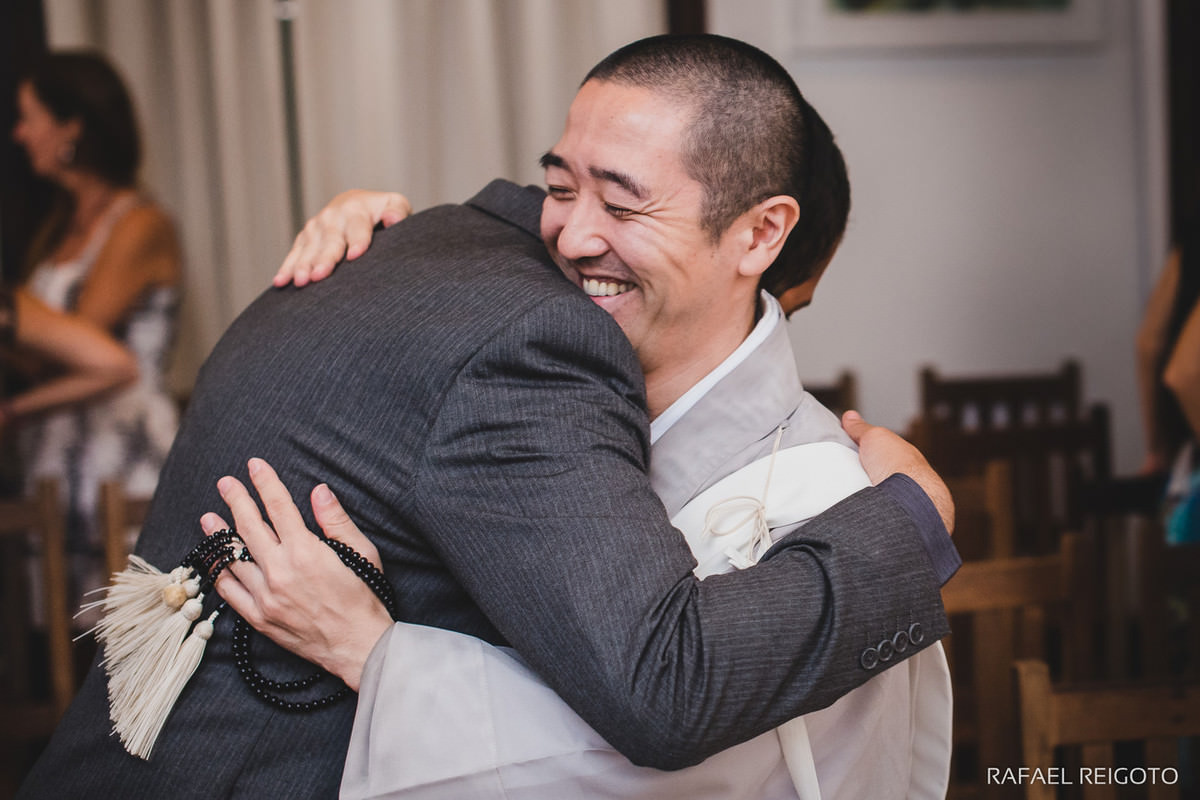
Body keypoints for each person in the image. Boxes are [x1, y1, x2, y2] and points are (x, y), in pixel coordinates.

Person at [18, 35, 954, 800]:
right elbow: (659, 697)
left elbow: (695, 748)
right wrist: (916, 518)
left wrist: (379, 655)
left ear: (759, 234)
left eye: (623, 203)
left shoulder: (817, 490)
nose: (574, 233)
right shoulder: (531, 335)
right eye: (559, 186)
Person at [10, 51, 182, 611]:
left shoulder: (138, 223)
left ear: (71, 126)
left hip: (121, 451)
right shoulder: (58, 231)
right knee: (70, 636)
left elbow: (79, 342)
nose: (18, 134)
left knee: (129, 627)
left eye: (29, 116)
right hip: (59, 452)